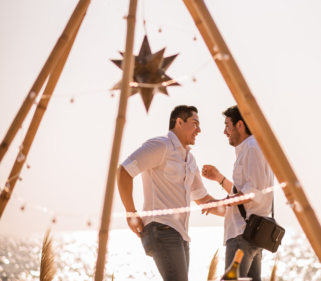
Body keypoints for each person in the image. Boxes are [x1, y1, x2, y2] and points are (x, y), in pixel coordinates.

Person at [116, 105, 220, 281]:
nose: (199, 130)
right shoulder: (160, 145)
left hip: (181, 236)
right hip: (161, 229)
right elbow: (124, 171)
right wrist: (131, 212)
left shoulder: (190, 160)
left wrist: (236, 210)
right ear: (179, 122)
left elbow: (203, 199)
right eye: (195, 124)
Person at [201, 105, 274, 281]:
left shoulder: (251, 148)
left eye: (227, 125)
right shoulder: (253, 148)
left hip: (243, 235)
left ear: (240, 125)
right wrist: (218, 177)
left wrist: (220, 202)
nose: (225, 131)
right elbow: (246, 192)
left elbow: (252, 194)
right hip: (252, 235)